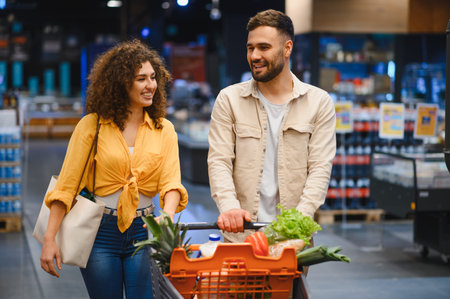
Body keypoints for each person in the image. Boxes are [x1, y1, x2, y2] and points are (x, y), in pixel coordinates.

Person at [40, 39, 188, 298]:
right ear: (121, 82)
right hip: (99, 231)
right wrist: (50, 238)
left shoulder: (164, 129)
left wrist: (168, 215)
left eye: (153, 77)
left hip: (145, 229)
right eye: (141, 78)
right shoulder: (92, 126)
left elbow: (171, 182)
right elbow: (66, 186)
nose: (150, 85)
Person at [207, 9, 336, 243]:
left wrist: (297, 223)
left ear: (287, 48)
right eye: (250, 47)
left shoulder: (318, 102)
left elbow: (319, 169)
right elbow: (219, 160)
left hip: (292, 239)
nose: (254, 55)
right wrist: (229, 207)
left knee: (289, 282)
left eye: (264, 47)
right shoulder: (229, 99)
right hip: (240, 235)